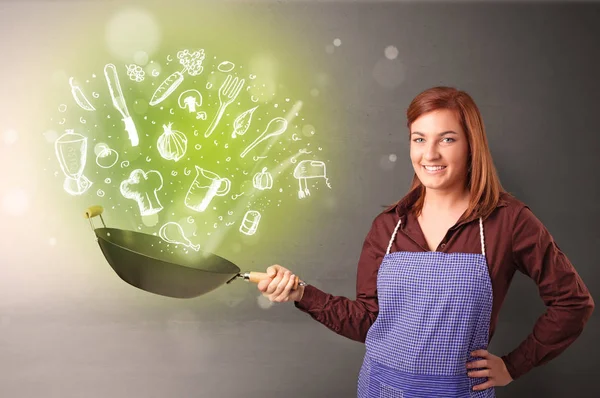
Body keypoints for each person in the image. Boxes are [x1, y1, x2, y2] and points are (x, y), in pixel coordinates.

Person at [256, 86, 595, 397]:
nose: (429, 154)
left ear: (471, 145)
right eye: (419, 139)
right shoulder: (388, 226)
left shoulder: (507, 221)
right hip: (380, 388)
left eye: (446, 139)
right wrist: (301, 293)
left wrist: (513, 365)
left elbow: (573, 303)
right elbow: (368, 322)